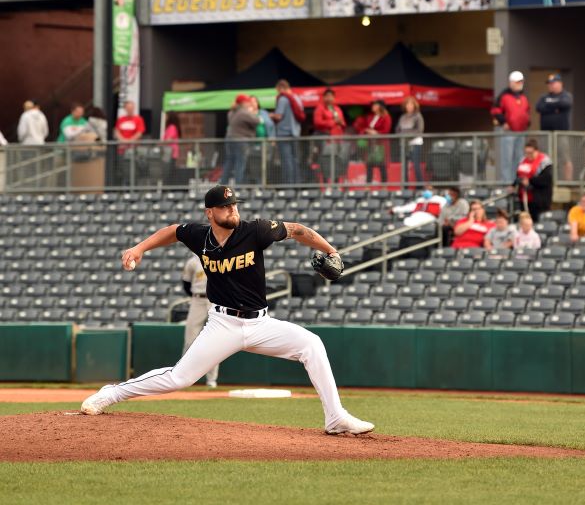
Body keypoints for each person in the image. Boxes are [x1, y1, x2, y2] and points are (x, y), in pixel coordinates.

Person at [80, 184, 374, 436]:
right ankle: (112, 393)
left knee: (311, 344)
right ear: (210, 213)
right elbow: (173, 232)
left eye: (233, 205)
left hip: (261, 324)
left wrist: (331, 251)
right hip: (222, 324)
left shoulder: (256, 230)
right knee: (179, 378)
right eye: (224, 206)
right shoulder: (199, 236)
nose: (232, 210)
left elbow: (297, 230)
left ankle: (335, 418)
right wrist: (139, 248)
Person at [181, 253, 219, 388]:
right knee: (190, 340)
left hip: (215, 300)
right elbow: (186, 283)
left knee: (215, 342)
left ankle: (211, 380)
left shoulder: (220, 255)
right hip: (197, 299)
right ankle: (183, 377)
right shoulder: (193, 261)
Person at [491, 71, 530, 184]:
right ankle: (506, 181)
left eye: (521, 82)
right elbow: (495, 110)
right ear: (512, 82)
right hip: (509, 132)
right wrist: (503, 122)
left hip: (521, 131)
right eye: (518, 82)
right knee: (507, 158)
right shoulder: (504, 96)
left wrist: (527, 122)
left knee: (519, 158)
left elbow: (527, 111)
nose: (520, 84)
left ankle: (515, 181)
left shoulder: (523, 96)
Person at [536, 73, 573, 181]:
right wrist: (555, 108)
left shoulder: (566, 95)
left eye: (553, 83)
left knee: (564, 158)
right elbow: (539, 107)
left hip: (561, 133)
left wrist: (549, 106)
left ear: (560, 83)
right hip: (546, 134)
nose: (551, 85)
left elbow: (565, 104)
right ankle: (549, 181)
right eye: (549, 83)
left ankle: (567, 182)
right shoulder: (544, 97)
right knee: (547, 159)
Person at [221, 95, 260, 186]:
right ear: (242, 103)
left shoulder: (231, 112)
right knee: (240, 163)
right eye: (247, 102)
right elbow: (257, 120)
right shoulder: (243, 112)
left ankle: (223, 185)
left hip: (230, 139)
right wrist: (252, 112)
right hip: (240, 141)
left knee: (229, 163)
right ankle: (238, 186)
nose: (248, 103)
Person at [512, 138, 553, 223]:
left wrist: (530, 181)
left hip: (539, 199)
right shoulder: (523, 160)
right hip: (524, 198)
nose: (528, 155)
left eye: (530, 153)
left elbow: (546, 179)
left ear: (536, 151)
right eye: (526, 153)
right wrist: (514, 185)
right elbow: (519, 174)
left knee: (537, 221)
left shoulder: (544, 162)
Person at [271, 80, 304, 185]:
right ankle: (297, 183)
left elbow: (278, 116)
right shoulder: (297, 98)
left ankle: (288, 185)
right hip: (295, 133)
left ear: (280, 88)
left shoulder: (283, 99)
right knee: (295, 159)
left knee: (286, 160)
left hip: (284, 134)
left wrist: (270, 115)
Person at [353, 101, 391, 185]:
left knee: (382, 166)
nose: (373, 106)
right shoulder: (371, 117)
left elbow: (386, 130)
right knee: (369, 165)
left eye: (375, 105)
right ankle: (368, 187)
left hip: (381, 144)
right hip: (371, 144)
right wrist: (366, 130)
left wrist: (376, 133)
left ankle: (384, 187)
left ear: (380, 106)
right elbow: (365, 126)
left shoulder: (386, 117)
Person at [313, 89, 346, 184]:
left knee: (336, 162)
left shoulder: (337, 109)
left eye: (331, 96)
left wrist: (340, 122)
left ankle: (335, 183)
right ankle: (325, 184)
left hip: (337, 140)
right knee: (326, 162)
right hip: (326, 140)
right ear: (323, 97)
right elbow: (317, 122)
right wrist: (333, 122)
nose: (329, 98)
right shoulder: (320, 108)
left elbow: (343, 123)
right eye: (327, 96)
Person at [396, 97, 425, 186]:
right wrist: (402, 135)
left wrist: (407, 135)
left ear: (414, 106)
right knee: (404, 166)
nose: (409, 106)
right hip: (404, 143)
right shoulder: (402, 117)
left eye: (411, 104)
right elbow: (398, 129)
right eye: (407, 104)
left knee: (416, 165)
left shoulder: (418, 116)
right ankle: (405, 186)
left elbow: (419, 130)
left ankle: (420, 186)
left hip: (415, 142)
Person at [162, 111, 181, 184]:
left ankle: (169, 188)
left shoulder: (172, 127)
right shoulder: (171, 127)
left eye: (167, 116)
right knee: (169, 171)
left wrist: (160, 144)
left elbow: (168, 140)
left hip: (171, 154)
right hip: (169, 153)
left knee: (168, 172)